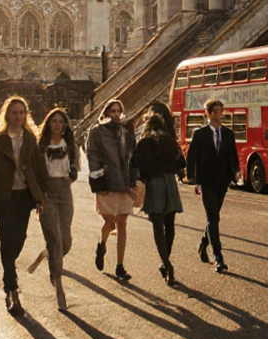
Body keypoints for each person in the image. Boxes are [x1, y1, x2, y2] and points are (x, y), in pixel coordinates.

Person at [0, 96, 48, 317]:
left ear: (25, 115)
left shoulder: (29, 139)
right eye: (14, 112)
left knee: (19, 239)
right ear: (7, 115)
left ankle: (10, 272)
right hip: (4, 197)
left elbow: (38, 169)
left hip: (24, 196)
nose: (18, 116)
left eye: (21, 112)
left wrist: (41, 197)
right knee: (7, 240)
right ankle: (11, 287)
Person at [27, 107, 78, 312]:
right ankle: (58, 285)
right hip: (47, 193)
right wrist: (39, 196)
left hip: (65, 192)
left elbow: (74, 166)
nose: (57, 124)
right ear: (48, 123)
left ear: (65, 126)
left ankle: (46, 254)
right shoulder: (41, 146)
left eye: (60, 122)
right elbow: (34, 171)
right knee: (55, 239)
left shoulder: (70, 145)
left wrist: (71, 177)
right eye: (54, 121)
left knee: (65, 241)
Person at [130, 102, 186, 285]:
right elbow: (181, 164)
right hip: (169, 182)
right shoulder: (170, 141)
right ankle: (165, 261)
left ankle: (166, 262)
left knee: (157, 225)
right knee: (170, 224)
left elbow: (136, 165)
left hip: (154, 184)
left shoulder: (144, 142)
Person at [186, 99, 240, 273]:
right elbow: (192, 157)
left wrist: (236, 172)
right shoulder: (200, 134)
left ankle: (204, 242)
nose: (218, 115)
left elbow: (233, 155)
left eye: (221, 112)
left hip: (222, 181)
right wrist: (192, 178)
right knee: (213, 218)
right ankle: (218, 258)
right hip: (206, 181)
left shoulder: (228, 134)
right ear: (208, 114)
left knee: (214, 217)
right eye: (215, 112)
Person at [86, 98, 137, 281]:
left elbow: (134, 157)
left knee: (122, 224)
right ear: (106, 113)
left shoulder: (126, 131)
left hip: (124, 183)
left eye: (118, 111)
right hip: (106, 183)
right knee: (110, 223)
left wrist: (134, 180)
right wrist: (98, 177)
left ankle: (120, 266)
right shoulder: (97, 132)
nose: (116, 114)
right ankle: (102, 245)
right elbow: (92, 155)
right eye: (112, 111)